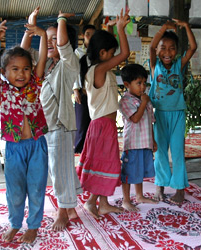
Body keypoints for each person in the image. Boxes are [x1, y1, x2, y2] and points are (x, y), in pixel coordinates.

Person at [0, 19, 48, 244]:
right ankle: (14, 223)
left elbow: (43, 59)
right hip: (14, 148)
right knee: (15, 190)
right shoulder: (1, 90)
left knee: (37, 187)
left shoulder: (35, 85)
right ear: (4, 72)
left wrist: (43, 35)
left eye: (25, 69)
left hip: (37, 145)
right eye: (15, 69)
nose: (21, 74)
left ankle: (33, 226)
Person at [22, 7, 82, 231]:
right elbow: (22, 53)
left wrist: (62, 19)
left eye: (54, 39)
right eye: (46, 39)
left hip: (60, 126)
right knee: (60, 168)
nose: (49, 43)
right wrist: (31, 28)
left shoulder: (69, 64)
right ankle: (71, 207)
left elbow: (65, 47)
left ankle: (63, 212)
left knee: (59, 171)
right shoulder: (45, 66)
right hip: (45, 127)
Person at [77, 9, 130, 219]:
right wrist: (119, 30)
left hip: (104, 126)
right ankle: (92, 202)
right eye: (111, 52)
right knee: (104, 163)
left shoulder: (101, 70)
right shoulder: (96, 70)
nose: (114, 56)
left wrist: (110, 29)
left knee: (106, 164)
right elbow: (125, 54)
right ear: (102, 53)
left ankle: (103, 203)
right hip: (101, 126)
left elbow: (116, 54)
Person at [149, 19, 197, 205]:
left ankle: (179, 190)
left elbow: (193, 47)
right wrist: (163, 28)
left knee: (177, 152)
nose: (167, 52)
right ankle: (160, 187)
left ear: (176, 51)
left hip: (177, 114)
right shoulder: (155, 66)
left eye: (171, 48)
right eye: (163, 48)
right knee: (160, 152)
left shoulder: (179, 64)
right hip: (159, 114)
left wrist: (186, 26)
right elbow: (153, 47)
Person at [119, 64, 158, 211]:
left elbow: (150, 121)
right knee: (129, 172)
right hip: (133, 143)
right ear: (127, 84)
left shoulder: (145, 101)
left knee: (139, 170)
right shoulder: (125, 101)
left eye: (144, 83)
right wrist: (143, 103)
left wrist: (153, 140)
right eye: (138, 83)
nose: (142, 87)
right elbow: (135, 118)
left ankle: (139, 195)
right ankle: (126, 200)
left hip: (145, 142)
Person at [73, 24, 96, 153]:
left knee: (94, 123)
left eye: (93, 34)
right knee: (81, 123)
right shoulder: (78, 52)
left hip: (96, 93)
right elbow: (74, 71)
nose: (90, 37)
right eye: (87, 34)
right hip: (82, 92)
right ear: (83, 36)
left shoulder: (99, 52)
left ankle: (93, 151)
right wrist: (76, 89)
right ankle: (79, 150)